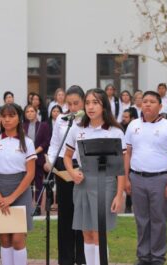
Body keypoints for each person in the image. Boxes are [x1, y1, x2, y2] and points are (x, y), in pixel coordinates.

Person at [64, 88, 125, 265]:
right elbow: (67, 156)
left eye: (95, 103)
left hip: (105, 184)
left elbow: (121, 168)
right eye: (88, 102)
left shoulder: (115, 131)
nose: (90, 107)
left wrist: (119, 194)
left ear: (104, 106)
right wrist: (72, 172)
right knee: (87, 232)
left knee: (99, 233)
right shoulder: (77, 129)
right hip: (82, 184)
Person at [125, 91, 167, 265]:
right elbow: (128, 153)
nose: (147, 104)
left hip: (160, 179)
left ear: (160, 106)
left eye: (152, 101)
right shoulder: (133, 125)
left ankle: (157, 258)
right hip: (137, 178)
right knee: (141, 219)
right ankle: (143, 257)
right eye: (145, 101)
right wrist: (126, 178)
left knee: (158, 220)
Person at [0, 103, 36, 265]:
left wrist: (12, 198)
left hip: (20, 190)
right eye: (4, 116)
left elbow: (30, 174)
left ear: (19, 118)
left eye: (11, 116)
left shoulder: (27, 143)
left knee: (18, 239)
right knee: (5, 238)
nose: (6, 120)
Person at [47, 85, 85, 265]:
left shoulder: (89, 119)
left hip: (83, 166)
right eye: (69, 103)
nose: (73, 107)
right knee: (66, 214)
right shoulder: (62, 118)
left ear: (84, 102)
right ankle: (66, 259)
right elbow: (55, 143)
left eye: (76, 103)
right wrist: (52, 162)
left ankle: (83, 258)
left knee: (82, 213)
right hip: (63, 165)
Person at [23, 105, 51, 216]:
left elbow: (46, 141)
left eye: (32, 111)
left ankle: (38, 207)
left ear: (36, 112)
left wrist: (35, 151)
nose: (29, 113)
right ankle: (28, 206)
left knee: (38, 183)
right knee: (27, 183)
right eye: (27, 111)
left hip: (38, 158)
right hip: (25, 159)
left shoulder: (43, 125)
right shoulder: (22, 126)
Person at [120, 107, 138, 214]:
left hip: (134, 160)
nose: (124, 119)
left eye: (126, 117)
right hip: (124, 159)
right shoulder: (121, 128)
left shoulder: (136, 129)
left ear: (133, 118)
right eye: (123, 116)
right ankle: (127, 206)